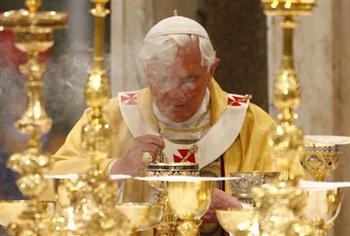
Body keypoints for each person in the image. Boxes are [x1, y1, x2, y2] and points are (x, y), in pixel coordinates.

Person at [51, 16, 304, 234]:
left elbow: (296, 205)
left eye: (189, 80)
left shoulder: (251, 125)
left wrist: (237, 215)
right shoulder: (108, 118)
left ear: (211, 70)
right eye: (163, 78)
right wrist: (118, 169)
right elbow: (55, 185)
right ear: (147, 71)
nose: (175, 93)